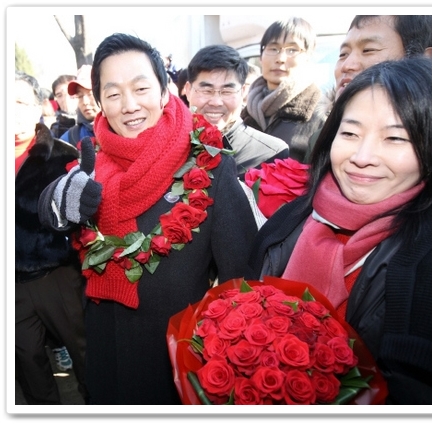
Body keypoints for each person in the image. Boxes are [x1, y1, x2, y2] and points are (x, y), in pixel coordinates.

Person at [38, 33, 258, 405]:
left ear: (164, 91)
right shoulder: (90, 163)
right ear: (100, 103)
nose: (129, 106)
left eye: (141, 88)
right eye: (113, 94)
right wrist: (60, 202)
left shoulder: (208, 165)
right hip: (105, 358)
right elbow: (51, 206)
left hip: (175, 363)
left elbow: (242, 277)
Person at [246, 57, 432, 404]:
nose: (362, 156)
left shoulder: (429, 264)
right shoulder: (290, 219)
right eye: (350, 133)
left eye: (394, 138)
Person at [15, 71, 88, 404]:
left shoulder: (64, 156)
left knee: (86, 356)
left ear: (38, 108)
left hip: (60, 278)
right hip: (11, 286)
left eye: (20, 102)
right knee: (28, 366)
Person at [303, 14, 432, 163]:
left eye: (368, 50)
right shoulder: (322, 138)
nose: (347, 65)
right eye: (343, 54)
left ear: (427, 60)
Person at [185, 44, 289, 180]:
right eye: (206, 91)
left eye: (227, 91)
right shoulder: (169, 147)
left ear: (243, 92)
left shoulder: (271, 154)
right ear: (188, 90)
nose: (216, 102)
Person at [241, 17, 326, 163]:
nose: (280, 58)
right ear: (261, 56)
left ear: (308, 57)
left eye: (292, 50)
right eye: (273, 49)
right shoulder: (243, 112)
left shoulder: (321, 113)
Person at [60, 65, 101, 146]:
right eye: (80, 96)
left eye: (90, 94)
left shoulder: (122, 129)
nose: (85, 102)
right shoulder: (68, 139)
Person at [50, 73, 78, 138]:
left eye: (70, 93)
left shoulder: (92, 123)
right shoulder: (55, 130)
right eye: (59, 95)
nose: (66, 99)